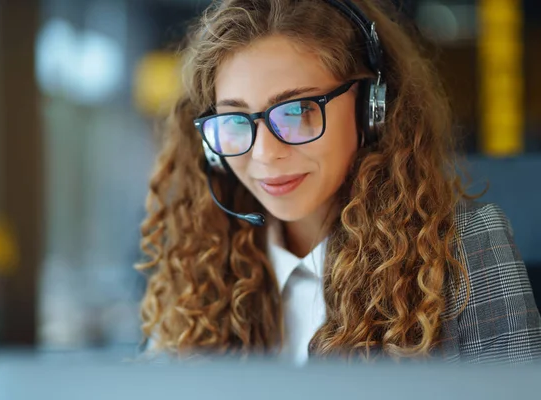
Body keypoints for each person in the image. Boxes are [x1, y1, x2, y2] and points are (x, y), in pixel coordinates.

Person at [137, 0, 541, 365]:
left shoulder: (463, 250)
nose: (264, 154)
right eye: (235, 120)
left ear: (371, 110)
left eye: (297, 112)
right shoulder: (197, 260)